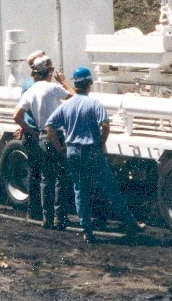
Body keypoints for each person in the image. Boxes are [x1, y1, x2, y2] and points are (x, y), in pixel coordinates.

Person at [45, 66, 144, 244]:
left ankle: (87, 231)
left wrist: (60, 147)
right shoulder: (94, 104)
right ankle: (131, 223)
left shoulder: (66, 105)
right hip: (91, 151)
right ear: (90, 83)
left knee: (80, 190)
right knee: (110, 188)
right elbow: (105, 125)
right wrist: (101, 143)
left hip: (73, 151)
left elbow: (49, 126)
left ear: (75, 84)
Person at [12, 53, 72, 227]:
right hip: (57, 135)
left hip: (42, 136)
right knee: (61, 176)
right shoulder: (52, 87)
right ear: (49, 71)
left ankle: (47, 218)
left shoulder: (30, 91)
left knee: (46, 177)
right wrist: (64, 81)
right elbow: (75, 98)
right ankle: (60, 217)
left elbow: (16, 115)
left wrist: (30, 130)